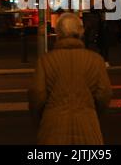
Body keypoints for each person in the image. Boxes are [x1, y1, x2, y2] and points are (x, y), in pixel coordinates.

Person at [28, 13, 112, 145]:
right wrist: (90, 111)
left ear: (58, 33)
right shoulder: (96, 60)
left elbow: (37, 95)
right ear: (81, 32)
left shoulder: (45, 61)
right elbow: (104, 94)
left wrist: (42, 118)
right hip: (88, 126)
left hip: (53, 128)